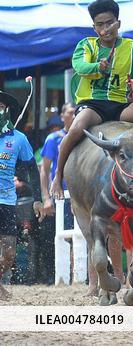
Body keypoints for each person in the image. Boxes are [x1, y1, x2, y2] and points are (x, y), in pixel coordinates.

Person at [51, 0, 133, 200]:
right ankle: (57, 176)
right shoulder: (86, 45)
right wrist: (98, 67)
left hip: (124, 104)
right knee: (77, 128)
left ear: (118, 23)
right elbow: (80, 67)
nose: (106, 28)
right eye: (100, 24)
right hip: (93, 105)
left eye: (110, 23)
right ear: (94, 27)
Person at [0, 91, 41, 300]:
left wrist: (38, 199)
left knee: (9, 255)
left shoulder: (19, 139)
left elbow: (33, 169)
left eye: (0, 107)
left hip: (7, 201)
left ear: (7, 111)